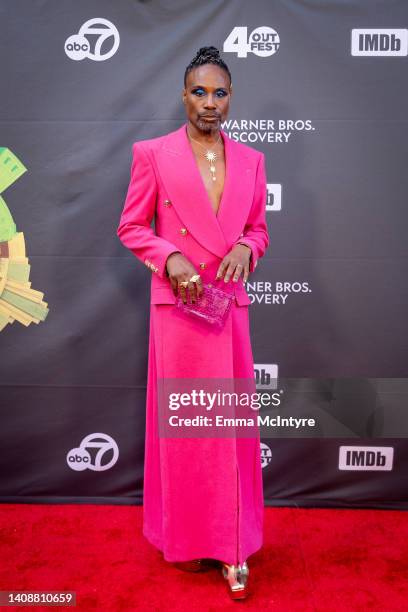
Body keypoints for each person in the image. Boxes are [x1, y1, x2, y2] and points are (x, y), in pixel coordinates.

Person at [117, 46, 269, 600]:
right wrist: (169, 257)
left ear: (231, 97)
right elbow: (132, 226)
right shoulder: (152, 153)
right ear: (184, 95)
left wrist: (247, 250)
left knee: (227, 432)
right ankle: (184, 536)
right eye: (200, 92)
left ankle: (233, 549)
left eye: (220, 93)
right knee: (186, 430)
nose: (210, 103)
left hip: (227, 309)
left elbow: (258, 229)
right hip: (179, 312)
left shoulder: (251, 160)